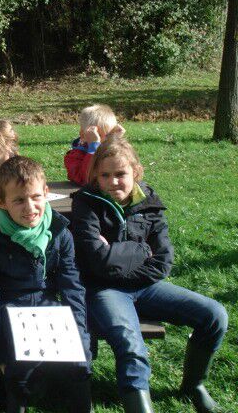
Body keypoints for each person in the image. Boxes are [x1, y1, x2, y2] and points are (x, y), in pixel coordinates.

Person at [71, 136, 228, 413]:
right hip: (105, 291)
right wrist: (142, 250)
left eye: (121, 174)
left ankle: (194, 384)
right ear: (95, 175)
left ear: (136, 172)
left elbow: (163, 262)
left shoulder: (150, 203)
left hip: (147, 286)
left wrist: (116, 258)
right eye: (105, 175)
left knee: (214, 315)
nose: (113, 182)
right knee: (131, 343)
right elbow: (96, 261)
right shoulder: (86, 204)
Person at [0, 156, 92, 413]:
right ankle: (18, 399)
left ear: (46, 193)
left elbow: (72, 286)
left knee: (80, 360)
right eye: (18, 200)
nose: (30, 207)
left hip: (49, 306)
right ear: (1, 202)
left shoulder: (60, 232)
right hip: (10, 307)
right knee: (18, 364)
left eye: (36, 197)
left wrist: (79, 329)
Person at [64, 104, 124, 186]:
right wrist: (93, 148)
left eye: (109, 135)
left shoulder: (112, 147)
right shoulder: (74, 157)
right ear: (83, 135)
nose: (105, 140)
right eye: (97, 135)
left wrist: (117, 140)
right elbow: (86, 179)